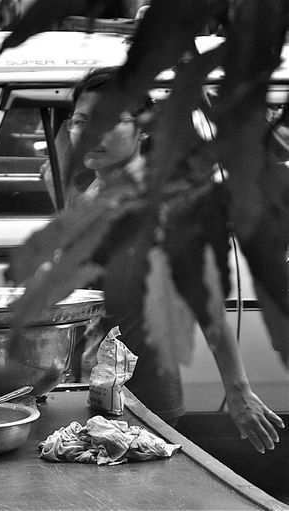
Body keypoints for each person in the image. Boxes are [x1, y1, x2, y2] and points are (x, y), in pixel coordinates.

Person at [65, 67, 283, 453]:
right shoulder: (89, 193)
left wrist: (238, 391)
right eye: (83, 121)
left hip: (143, 403)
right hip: (91, 392)